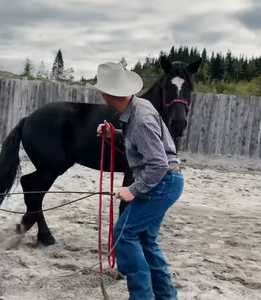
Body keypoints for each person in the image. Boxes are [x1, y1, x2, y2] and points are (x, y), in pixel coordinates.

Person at [94, 62, 183, 300]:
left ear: (108, 94)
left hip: (161, 182)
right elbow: (146, 141)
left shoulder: (141, 117)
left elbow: (157, 164)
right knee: (145, 239)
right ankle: (166, 296)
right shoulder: (138, 106)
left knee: (124, 234)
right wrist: (115, 134)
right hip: (167, 181)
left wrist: (134, 190)